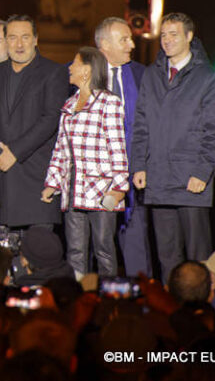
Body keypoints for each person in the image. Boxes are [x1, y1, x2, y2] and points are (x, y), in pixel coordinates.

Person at [131, 13, 215, 281]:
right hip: (158, 178)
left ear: (189, 36)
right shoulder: (152, 74)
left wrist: (202, 171)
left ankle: (200, 309)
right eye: (163, 35)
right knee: (166, 255)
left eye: (174, 34)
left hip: (191, 180)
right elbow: (141, 125)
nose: (167, 40)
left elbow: (214, 131)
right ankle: (170, 311)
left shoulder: (207, 77)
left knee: (198, 256)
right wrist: (139, 164)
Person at [41, 47, 129, 278]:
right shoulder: (69, 105)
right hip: (73, 190)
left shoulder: (109, 103)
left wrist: (119, 187)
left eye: (75, 63)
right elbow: (60, 149)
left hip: (102, 191)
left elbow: (117, 147)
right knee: (75, 251)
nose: (69, 67)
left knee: (104, 250)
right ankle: (78, 299)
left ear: (87, 70)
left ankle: (108, 300)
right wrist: (52, 182)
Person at [0, 15, 68, 237]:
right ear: (5, 41)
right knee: (2, 257)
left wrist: (15, 152)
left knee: (39, 255)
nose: (19, 44)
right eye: (12, 38)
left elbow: (50, 119)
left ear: (36, 40)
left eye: (25, 37)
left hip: (36, 179)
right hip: (2, 176)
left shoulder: (54, 72)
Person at [94, 17, 150, 277]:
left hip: (133, 173)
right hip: (93, 177)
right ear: (104, 44)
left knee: (136, 239)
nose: (131, 45)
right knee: (94, 243)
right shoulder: (78, 74)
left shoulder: (143, 75)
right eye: (124, 40)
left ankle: (140, 296)